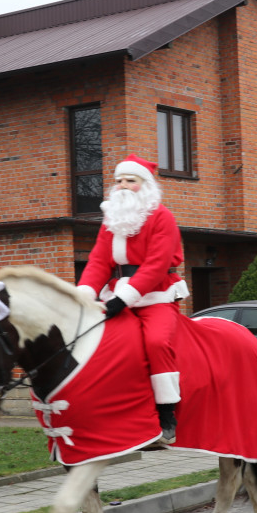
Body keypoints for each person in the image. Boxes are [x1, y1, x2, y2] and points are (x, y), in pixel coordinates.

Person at [76, 154, 189, 439]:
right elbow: (99, 261)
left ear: (146, 184)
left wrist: (123, 299)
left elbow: (156, 265)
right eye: (119, 181)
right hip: (117, 295)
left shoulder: (162, 216)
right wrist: (84, 294)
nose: (124, 186)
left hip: (156, 295)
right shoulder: (111, 219)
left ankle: (167, 414)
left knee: (156, 341)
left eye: (131, 180)